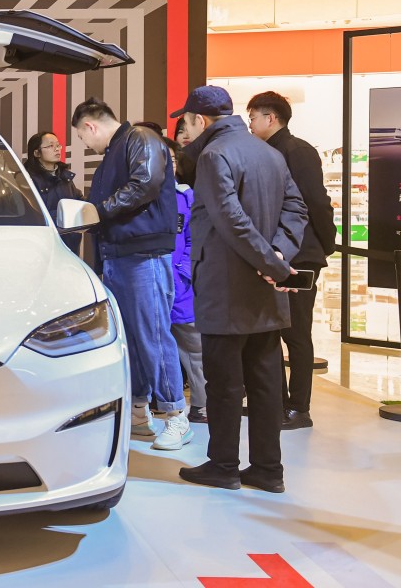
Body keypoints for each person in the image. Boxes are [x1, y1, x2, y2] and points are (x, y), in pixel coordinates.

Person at [173, 86, 308, 494]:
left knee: (225, 383)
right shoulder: (269, 152)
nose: (186, 129)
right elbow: (296, 209)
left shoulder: (215, 155)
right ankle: (268, 469)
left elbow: (229, 220)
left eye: (188, 121)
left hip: (226, 288)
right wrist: (279, 257)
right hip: (264, 291)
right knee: (266, 382)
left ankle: (224, 465)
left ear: (201, 120)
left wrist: (272, 263)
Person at [72, 98, 189, 451]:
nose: (84, 145)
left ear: (90, 126)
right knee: (133, 340)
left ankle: (176, 416)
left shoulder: (140, 138)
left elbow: (145, 184)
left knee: (153, 335)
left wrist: (98, 211)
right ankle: (139, 413)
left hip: (144, 255)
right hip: (120, 254)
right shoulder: (117, 149)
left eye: (81, 137)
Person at [247, 91, 337, 430]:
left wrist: (325, 244)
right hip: (277, 254)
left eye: (253, 117)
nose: (251, 124)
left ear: (271, 118)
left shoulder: (297, 151)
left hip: (301, 255)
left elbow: (316, 201)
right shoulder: (268, 151)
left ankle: (299, 408)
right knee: (274, 330)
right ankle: (277, 403)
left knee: (296, 333)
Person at [154, 124, 207, 424]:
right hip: (149, 284)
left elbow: (193, 238)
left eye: (174, 160)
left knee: (194, 347)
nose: (171, 165)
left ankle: (201, 404)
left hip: (181, 286)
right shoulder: (140, 196)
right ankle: (158, 403)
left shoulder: (187, 197)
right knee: (153, 344)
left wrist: (184, 270)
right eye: (165, 159)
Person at [23, 132, 84, 254]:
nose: (57, 149)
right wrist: (63, 217)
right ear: (36, 153)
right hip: (42, 248)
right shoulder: (27, 180)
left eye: (58, 145)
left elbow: (79, 202)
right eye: (50, 146)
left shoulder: (65, 177)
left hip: (69, 246)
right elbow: (31, 216)